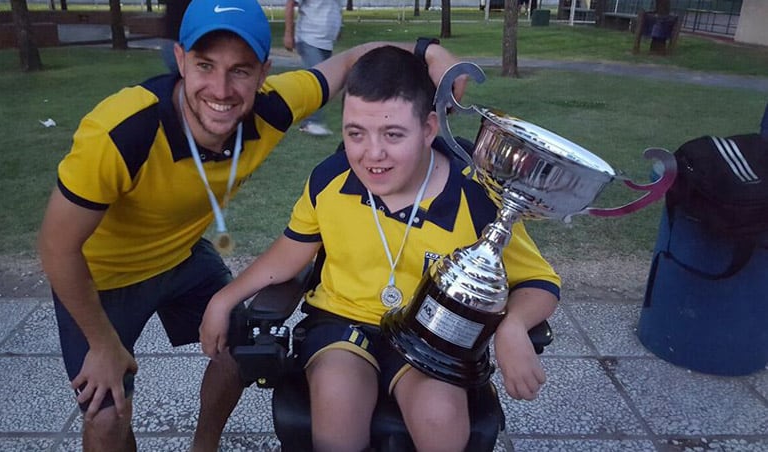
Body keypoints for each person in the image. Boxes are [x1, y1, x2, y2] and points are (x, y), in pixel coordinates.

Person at [36, 0, 463, 449]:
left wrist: (428, 51)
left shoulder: (273, 107)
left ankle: (205, 445)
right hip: (98, 275)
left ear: (263, 72)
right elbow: (55, 246)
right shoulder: (124, 130)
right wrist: (102, 344)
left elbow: (357, 58)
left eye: (240, 70)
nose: (220, 89)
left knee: (238, 347)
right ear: (180, 59)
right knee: (107, 416)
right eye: (205, 65)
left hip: (179, 257)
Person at [200, 46, 561, 451]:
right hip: (343, 322)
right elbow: (290, 252)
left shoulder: (475, 195)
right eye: (355, 133)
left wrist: (513, 326)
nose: (372, 154)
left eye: (393, 134)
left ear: (428, 129)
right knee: (337, 398)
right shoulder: (330, 181)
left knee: (440, 416)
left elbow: (538, 281)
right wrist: (224, 299)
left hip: (432, 336)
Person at [284, 0, 343, 136]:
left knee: (323, 79)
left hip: (327, 41)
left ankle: (300, 111)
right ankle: (310, 122)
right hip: (309, 38)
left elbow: (338, 8)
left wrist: (340, 26)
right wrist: (288, 33)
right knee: (317, 79)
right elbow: (290, 3)